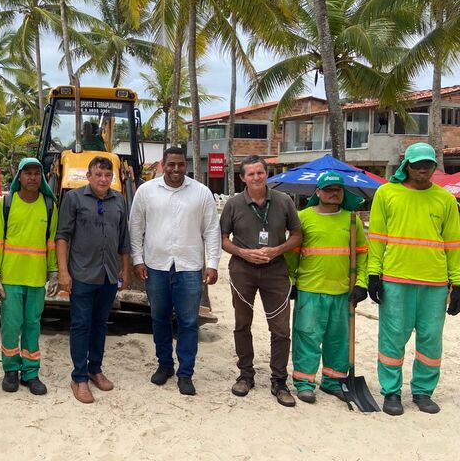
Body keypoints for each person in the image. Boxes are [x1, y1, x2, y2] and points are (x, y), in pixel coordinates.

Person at [367, 142, 460, 416]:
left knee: (430, 340)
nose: (423, 170)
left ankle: (422, 392)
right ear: (406, 166)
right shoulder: (386, 193)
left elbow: (453, 243)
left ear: (434, 166)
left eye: (428, 165)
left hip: (435, 283)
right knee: (393, 338)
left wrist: (457, 282)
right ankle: (391, 392)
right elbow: (377, 238)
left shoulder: (445, 199)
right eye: (417, 165)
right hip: (395, 280)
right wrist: (373, 274)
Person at [129, 147, 220, 395]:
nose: (176, 169)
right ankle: (165, 365)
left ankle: (185, 373)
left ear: (186, 165)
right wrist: (137, 259)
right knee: (159, 318)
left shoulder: (201, 193)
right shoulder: (146, 191)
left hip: (189, 267)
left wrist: (212, 263)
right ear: (163, 164)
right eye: (171, 164)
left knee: (188, 322)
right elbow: (135, 227)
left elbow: (212, 230)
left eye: (180, 164)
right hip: (156, 266)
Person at [220, 155, 302, 407]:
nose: (256, 177)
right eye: (251, 174)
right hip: (242, 270)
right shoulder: (233, 204)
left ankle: (279, 381)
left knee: (280, 328)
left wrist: (277, 250)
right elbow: (222, 238)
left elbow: (297, 235)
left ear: (267, 174)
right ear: (243, 178)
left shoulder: (284, 201)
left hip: (275, 271)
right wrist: (243, 253)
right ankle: (246, 375)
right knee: (242, 324)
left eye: (260, 172)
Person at [285, 171, 368, 404]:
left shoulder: (352, 220)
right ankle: (304, 383)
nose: (334, 193)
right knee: (307, 337)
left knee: (338, 340)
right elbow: (291, 255)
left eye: (338, 189)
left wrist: (361, 284)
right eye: (329, 189)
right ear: (318, 192)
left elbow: (362, 255)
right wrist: (291, 281)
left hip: (342, 292)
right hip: (310, 290)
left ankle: (333, 381)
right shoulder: (303, 218)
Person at [56, 156, 130, 403]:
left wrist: (125, 270)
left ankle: (94, 369)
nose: (103, 179)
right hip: (82, 275)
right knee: (81, 324)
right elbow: (62, 236)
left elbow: (123, 238)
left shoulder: (119, 200)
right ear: (88, 176)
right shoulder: (74, 199)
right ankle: (79, 377)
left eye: (108, 175)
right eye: (98, 174)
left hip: (108, 275)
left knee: (100, 324)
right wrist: (64, 272)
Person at [0, 157, 59, 395]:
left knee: (32, 325)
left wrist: (53, 271)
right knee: (11, 325)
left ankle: (30, 372)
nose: (32, 177)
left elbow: (51, 242)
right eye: (27, 173)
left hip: (36, 279)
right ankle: (10, 370)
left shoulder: (49, 205)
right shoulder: (6, 203)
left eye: (36, 173)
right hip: (10, 278)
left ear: (42, 177)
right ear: (19, 176)